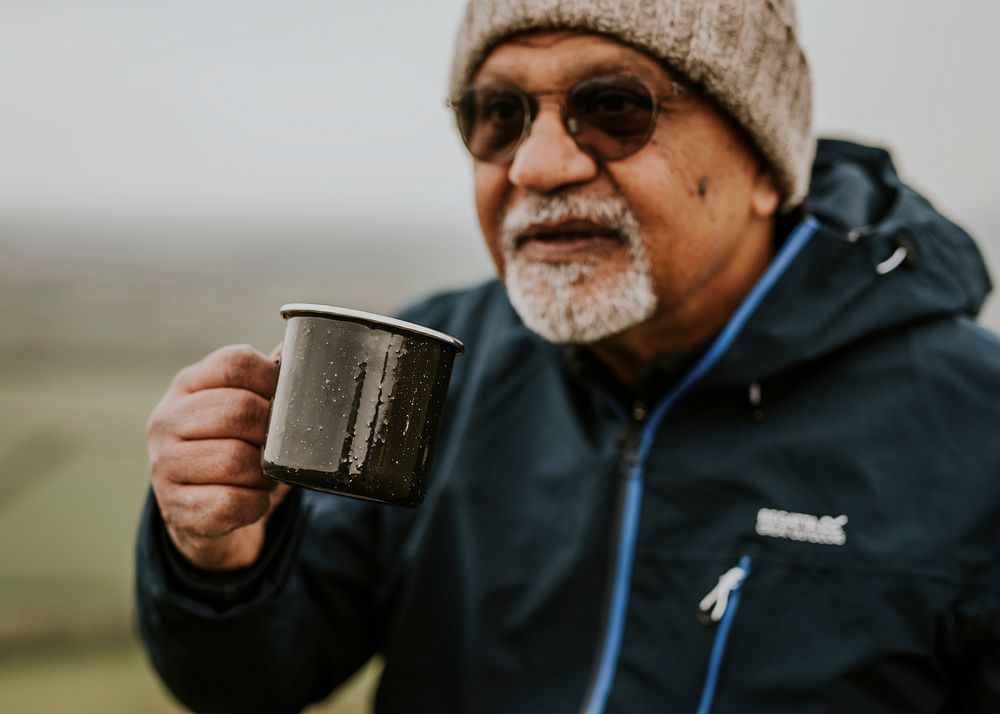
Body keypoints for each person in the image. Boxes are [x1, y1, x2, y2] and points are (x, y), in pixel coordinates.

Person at [136, 1, 1000, 712]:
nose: (539, 164)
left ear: (765, 164)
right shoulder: (426, 375)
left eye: (617, 107)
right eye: (498, 116)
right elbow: (249, 683)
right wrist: (219, 558)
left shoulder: (976, 431)